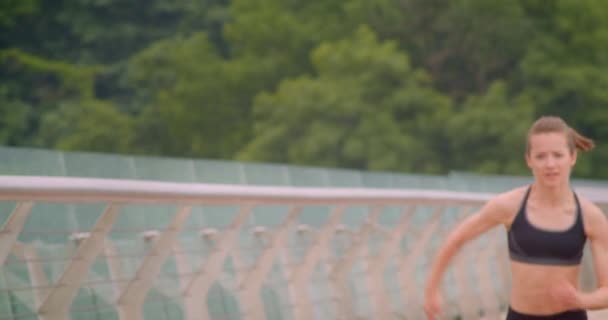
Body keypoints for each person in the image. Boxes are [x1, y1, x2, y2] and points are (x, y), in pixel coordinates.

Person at [423, 116, 608, 320]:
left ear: (572, 157)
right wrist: (432, 290)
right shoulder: (509, 205)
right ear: (529, 160)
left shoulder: (590, 216)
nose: (550, 164)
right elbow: (457, 239)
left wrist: (580, 300)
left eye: (558, 155)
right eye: (540, 156)